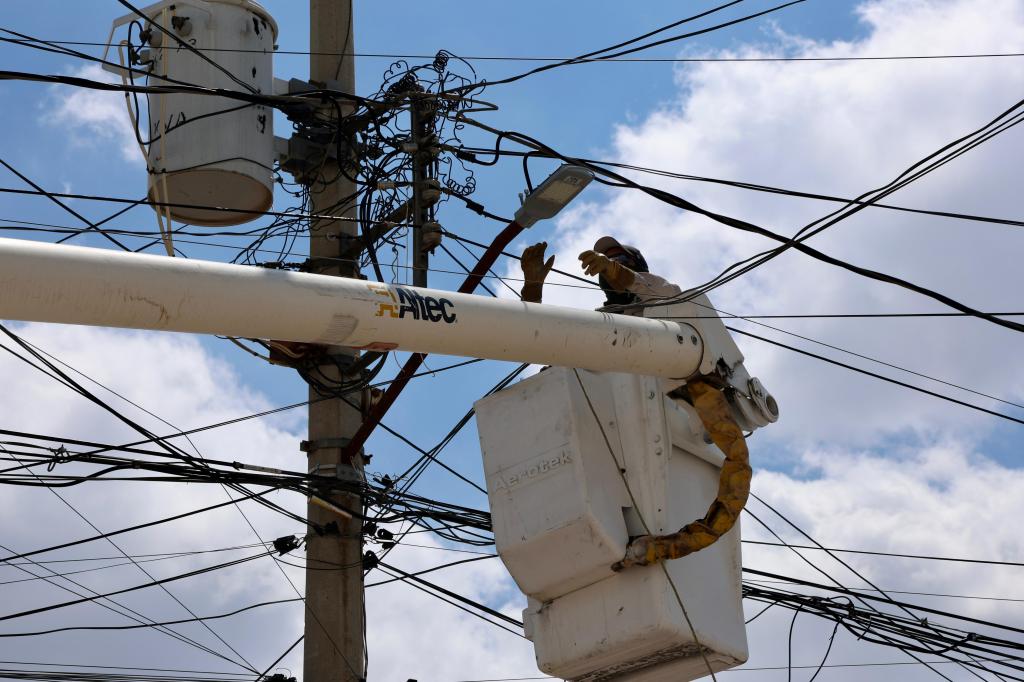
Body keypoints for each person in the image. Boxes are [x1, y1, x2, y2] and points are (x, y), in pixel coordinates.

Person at [520, 236, 680, 314]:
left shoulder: (665, 298)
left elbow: (661, 292)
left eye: (620, 259)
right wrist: (532, 291)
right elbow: (542, 340)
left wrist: (615, 270)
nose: (611, 263)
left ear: (637, 265)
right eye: (608, 260)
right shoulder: (598, 321)